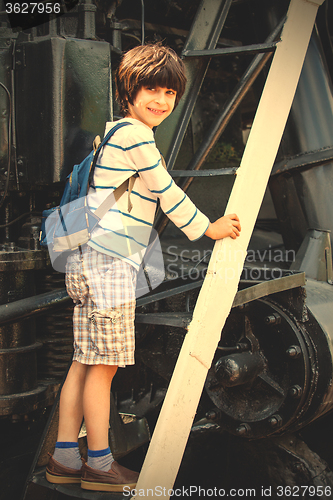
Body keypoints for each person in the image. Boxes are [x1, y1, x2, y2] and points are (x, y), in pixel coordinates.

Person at [46, 43, 241, 492]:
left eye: (170, 92)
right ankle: (98, 463)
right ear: (128, 91)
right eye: (152, 88)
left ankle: (63, 457)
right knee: (104, 367)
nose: (162, 101)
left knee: (83, 361)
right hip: (109, 263)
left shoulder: (116, 133)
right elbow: (166, 191)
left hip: (88, 258)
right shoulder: (135, 135)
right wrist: (208, 228)